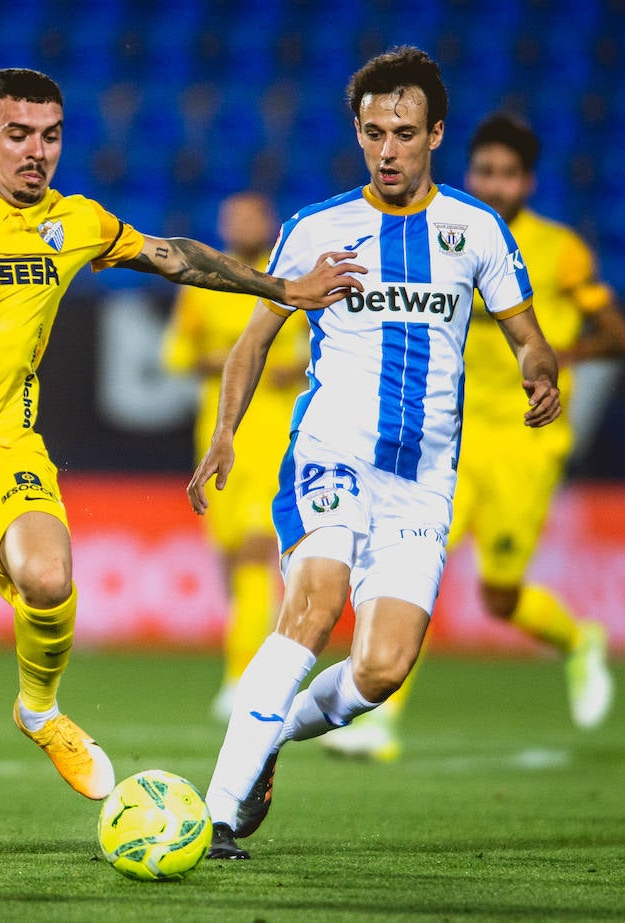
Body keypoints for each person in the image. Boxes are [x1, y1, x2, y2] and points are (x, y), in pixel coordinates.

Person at [0, 67, 360, 863]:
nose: (37, 152)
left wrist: (285, 286)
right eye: (17, 135)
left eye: (51, 135)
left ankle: (40, 710)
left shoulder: (76, 221)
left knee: (49, 576)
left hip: (5, 450)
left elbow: (176, 258)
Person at [187, 46, 563, 860]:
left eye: (402, 131)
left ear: (434, 134)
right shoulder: (318, 228)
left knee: (382, 669)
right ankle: (215, 816)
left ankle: (264, 741)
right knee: (314, 602)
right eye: (372, 132)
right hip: (331, 454)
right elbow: (255, 339)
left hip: (423, 482)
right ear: (357, 134)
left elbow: (529, 337)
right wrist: (225, 431)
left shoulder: (475, 231)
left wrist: (541, 373)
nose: (387, 149)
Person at [320, 113, 625, 762]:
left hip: (525, 440)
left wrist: (551, 352)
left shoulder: (559, 250)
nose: (494, 185)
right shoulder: (446, 236)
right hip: (447, 437)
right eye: (484, 171)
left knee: (499, 593)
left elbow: (620, 336)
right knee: (414, 570)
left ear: (528, 182)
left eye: (507, 174)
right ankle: (379, 718)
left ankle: (578, 640)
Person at [161, 192, 310, 721]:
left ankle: (242, 678)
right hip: (220, 435)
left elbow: (326, 342)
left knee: (254, 552)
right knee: (232, 562)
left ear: (269, 222)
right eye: (234, 216)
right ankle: (254, 661)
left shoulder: (292, 276)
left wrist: (299, 366)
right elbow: (177, 353)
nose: (243, 224)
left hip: (278, 434)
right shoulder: (204, 281)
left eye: (253, 215)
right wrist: (234, 361)